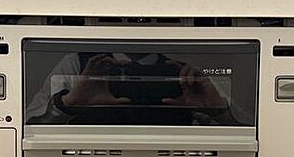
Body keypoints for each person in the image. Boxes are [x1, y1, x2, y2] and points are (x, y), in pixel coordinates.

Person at [25, 51, 253, 126]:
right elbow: (26, 127)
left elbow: (252, 134)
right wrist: (66, 105)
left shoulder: (184, 74)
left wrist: (219, 110)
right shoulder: (78, 64)